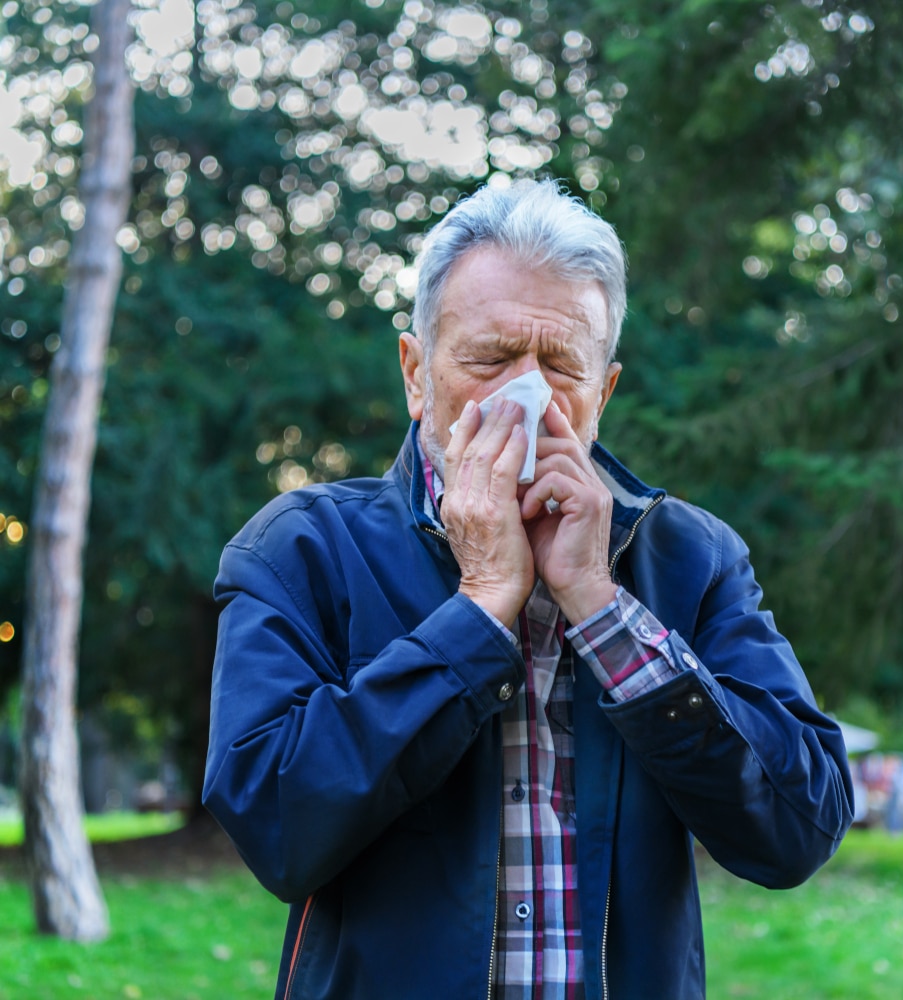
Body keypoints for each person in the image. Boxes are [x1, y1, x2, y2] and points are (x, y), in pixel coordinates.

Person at [203, 179, 853, 1000]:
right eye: (488, 359)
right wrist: (478, 608)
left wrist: (600, 603)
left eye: (560, 365)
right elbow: (274, 824)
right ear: (415, 373)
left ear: (603, 394)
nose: (529, 397)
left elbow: (800, 827)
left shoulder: (691, 558)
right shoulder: (300, 549)